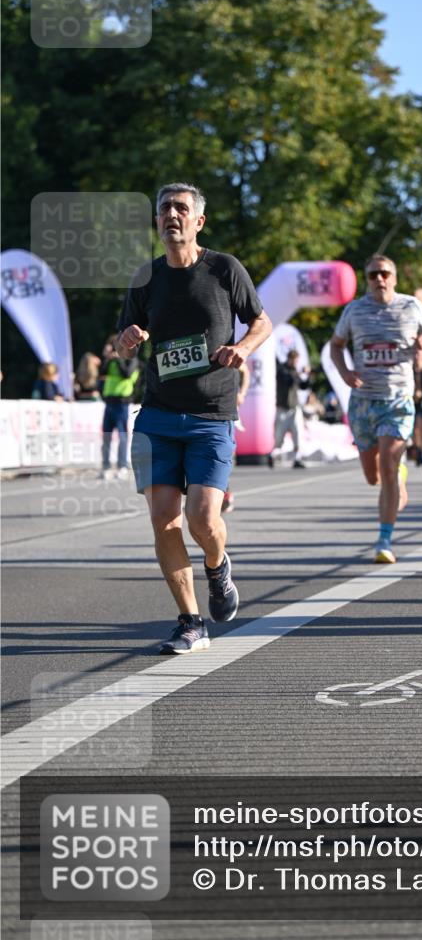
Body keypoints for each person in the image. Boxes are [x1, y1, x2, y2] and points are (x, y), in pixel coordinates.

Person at [115, 182, 272, 654]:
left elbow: (261, 322)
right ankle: (190, 622)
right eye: (165, 209)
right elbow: (121, 347)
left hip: (211, 416)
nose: (172, 215)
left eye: (181, 208)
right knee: (164, 520)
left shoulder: (224, 269)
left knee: (203, 518)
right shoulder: (146, 279)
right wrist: (126, 342)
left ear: (198, 221)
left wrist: (242, 348)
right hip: (158, 415)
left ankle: (218, 566)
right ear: (157, 221)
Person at [329, 254, 422, 563]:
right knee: (373, 476)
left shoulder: (411, 307)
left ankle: (385, 540)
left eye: (384, 273)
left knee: (388, 466)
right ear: (367, 280)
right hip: (364, 402)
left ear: (394, 278)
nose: (379, 279)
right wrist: (346, 373)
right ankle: (398, 476)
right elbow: (335, 345)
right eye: (373, 274)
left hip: (398, 399)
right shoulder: (355, 310)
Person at [99, 335, 141, 480]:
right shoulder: (111, 361)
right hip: (109, 401)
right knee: (106, 435)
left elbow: (126, 374)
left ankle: (122, 465)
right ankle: (105, 466)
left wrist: (117, 359)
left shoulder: (132, 360)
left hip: (122, 402)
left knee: (122, 435)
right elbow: (101, 373)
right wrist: (107, 359)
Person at [269, 349, 312, 469]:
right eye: (294, 360)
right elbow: (289, 380)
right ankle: (273, 456)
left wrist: (307, 375)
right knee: (279, 436)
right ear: (289, 359)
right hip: (282, 408)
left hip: (294, 408)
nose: (295, 363)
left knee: (298, 433)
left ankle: (297, 458)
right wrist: (300, 373)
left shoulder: (294, 371)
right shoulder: (282, 370)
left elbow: (304, 386)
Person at [221, 363, 250, 514]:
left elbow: (245, 371)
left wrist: (242, 394)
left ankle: (225, 494)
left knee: (223, 455)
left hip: (225, 412)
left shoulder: (224, 348)